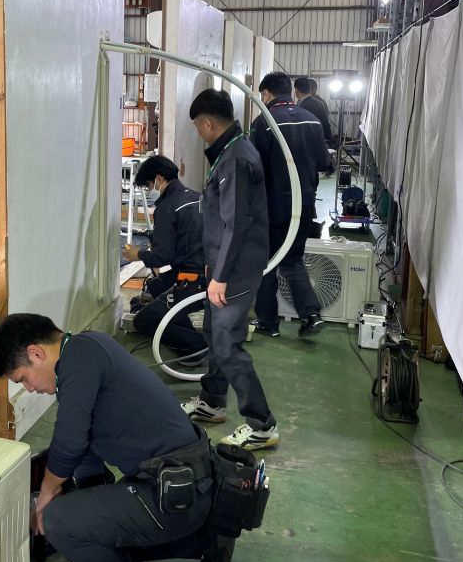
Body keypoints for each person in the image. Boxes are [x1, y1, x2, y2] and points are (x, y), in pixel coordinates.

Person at [0, 313, 231, 562]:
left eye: (23, 378)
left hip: (172, 495)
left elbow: (69, 443)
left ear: (36, 353)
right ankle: (205, 540)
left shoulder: (78, 360)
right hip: (185, 485)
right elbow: (84, 452)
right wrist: (84, 548)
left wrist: (45, 498)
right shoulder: (88, 348)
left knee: (57, 519)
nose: (29, 389)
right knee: (80, 525)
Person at [181, 88, 279, 451]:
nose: (198, 133)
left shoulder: (236, 158)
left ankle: (262, 425)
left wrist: (221, 275)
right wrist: (213, 263)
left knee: (226, 343)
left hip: (236, 269)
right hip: (224, 264)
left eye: (197, 127)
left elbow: (236, 224)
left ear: (208, 123)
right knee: (213, 333)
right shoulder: (230, 151)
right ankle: (212, 402)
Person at [250, 73, 332, 340]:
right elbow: (324, 163)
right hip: (304, 204)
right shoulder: (312, 120)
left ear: (266, 94)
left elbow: (255, 168)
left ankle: (268, 322)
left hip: (274, 206)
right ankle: (311, 315)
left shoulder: (264, 122)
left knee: (267, 262)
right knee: (293, 260)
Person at [123, 155, 208, 362]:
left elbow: (162, 257)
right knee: (154, 287)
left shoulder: (167, 207)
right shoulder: (197, 197)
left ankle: (197, 346)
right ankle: (177, 319)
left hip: (191, 281)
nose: (150, 190)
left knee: (143, 321)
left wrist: (137, 255)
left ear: (159, 179)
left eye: (149, 185)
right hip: (210, 274)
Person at [294, 76, 333, 146]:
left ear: (296, 90)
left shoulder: (302, 107)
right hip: (320, 140)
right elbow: (325, 123)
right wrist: (328, 140)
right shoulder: (319, 103)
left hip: (309, 143)